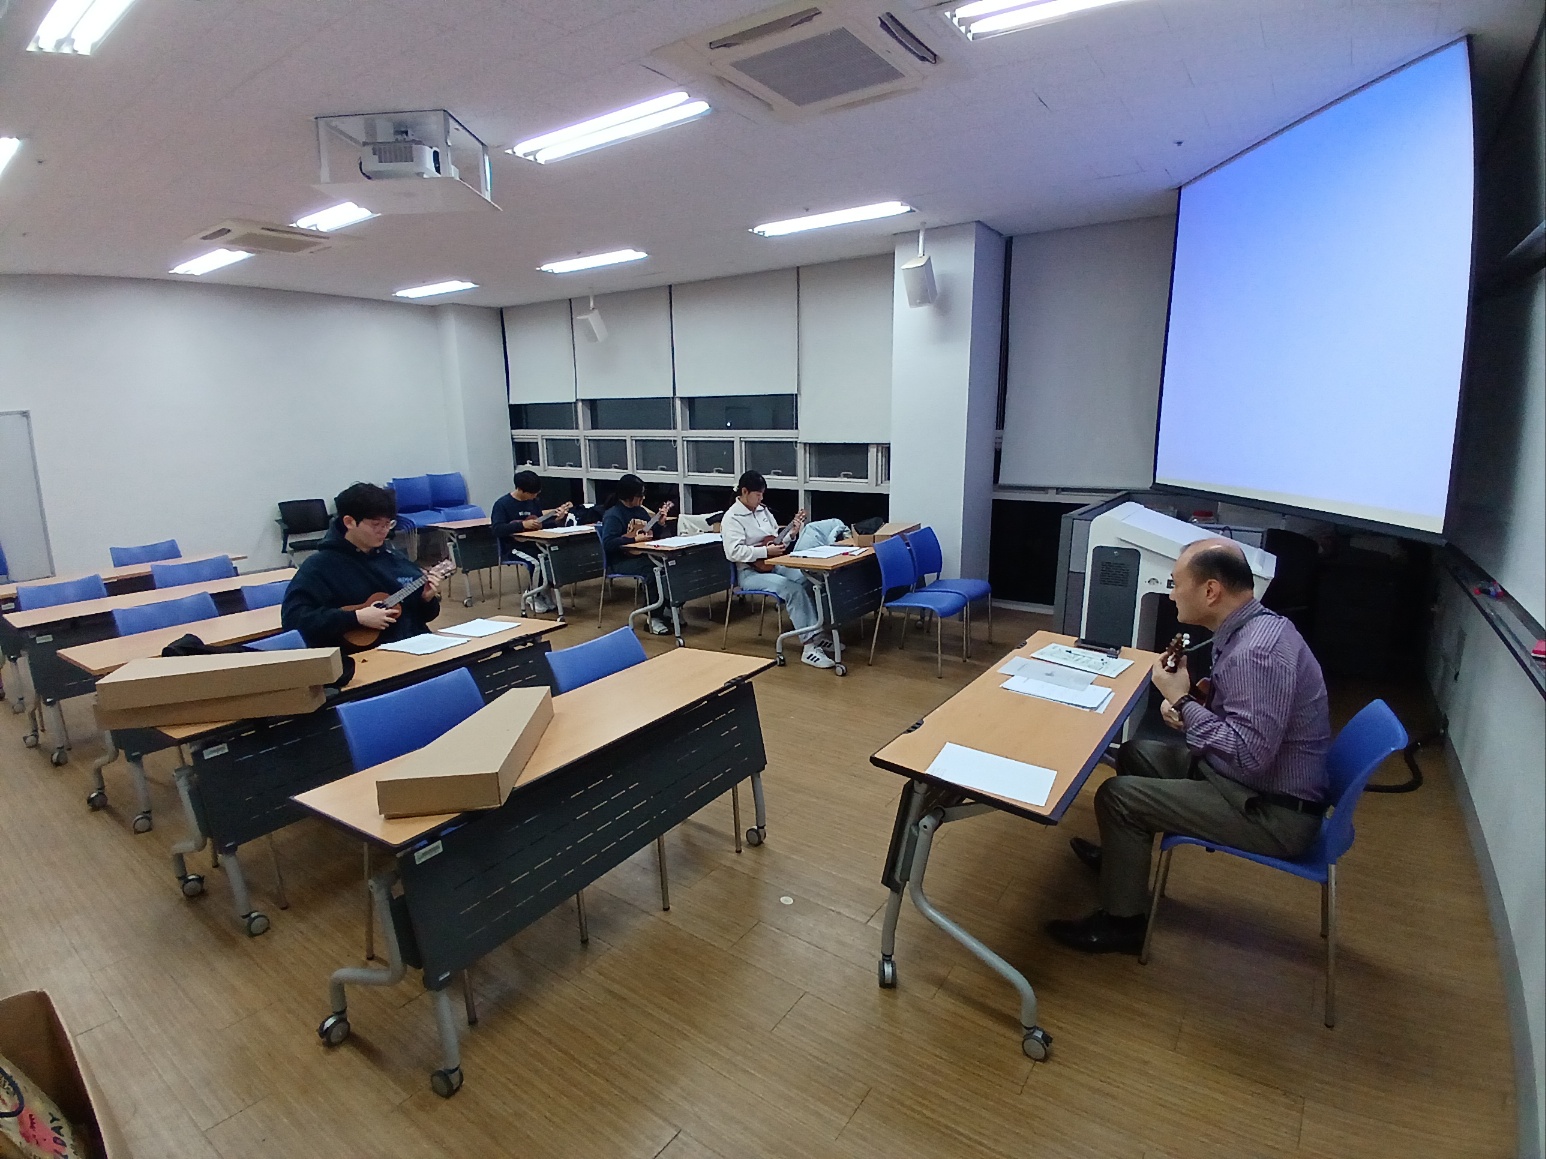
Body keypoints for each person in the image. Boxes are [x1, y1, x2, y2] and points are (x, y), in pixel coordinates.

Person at [1046, 537, 1331, 955]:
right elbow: (1246, 714)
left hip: (1273, 813)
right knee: (1135, 753)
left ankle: (1122, 924)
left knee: (1117, 796)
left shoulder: (1257, 653)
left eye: (1176, 583)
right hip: (1259, 784)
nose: (1171, 593)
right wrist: (1199, 700)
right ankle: (1121, 860)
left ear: (1211, 590)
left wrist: (1181, 701)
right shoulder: (1257, 626)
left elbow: (1249, 756)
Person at [281, 482, 442, 649]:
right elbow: (294, 621)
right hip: (366, 655)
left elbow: (422, 616)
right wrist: (355, 618)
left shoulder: (395, 558)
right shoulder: (319, 567)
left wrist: (426, 600)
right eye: (376, 525)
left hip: (415, 644)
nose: (384, 531)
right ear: (349, 522)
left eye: (388, 524)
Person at [721, 470, 834, 669]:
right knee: (792, 589)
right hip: (749, 573)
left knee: (810, 579)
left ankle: (818, 634)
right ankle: (809, 647)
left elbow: (775, 541)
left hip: (773, 564)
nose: (761, 498)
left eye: (762, 494)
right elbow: (733, 552)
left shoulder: (763, 511)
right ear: (744, 492)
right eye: (758, 494)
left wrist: (791, 535)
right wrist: (766, 551)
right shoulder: (732, 518)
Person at [490, 469, 572, 614]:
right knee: (536, 562)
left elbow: (540, 525)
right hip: (513, 547)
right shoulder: (502, 504)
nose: (535, 496)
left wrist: (557, 521)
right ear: (521, 489)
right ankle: (532, 595)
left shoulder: (533, 502)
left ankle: (544, 590)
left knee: (552, 557)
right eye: (532, 493)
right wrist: (522, 525)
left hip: (535, 543)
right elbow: (497, 529)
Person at [600, 474, 672, 635]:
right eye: (640, 495)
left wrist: (660, 524)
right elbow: (608, 543)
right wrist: (632, 539)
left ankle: (669, 607)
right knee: (654, 570)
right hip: (620, 561)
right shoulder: (613, 515)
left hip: (642, 555)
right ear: (629, 496)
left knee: (670, 565)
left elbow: (650, 533)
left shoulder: (640, 511)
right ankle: (653, 617)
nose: (643, 498)